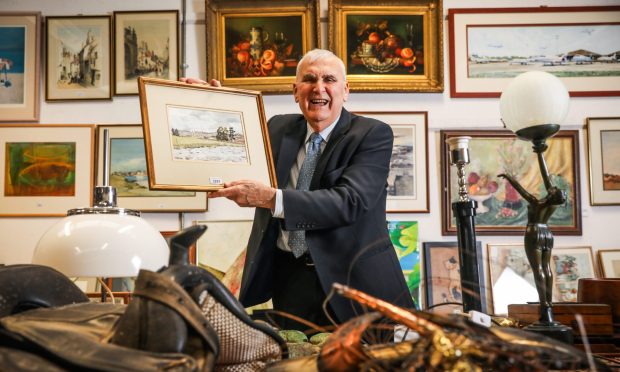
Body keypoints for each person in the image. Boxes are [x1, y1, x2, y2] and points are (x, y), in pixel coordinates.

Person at [184, 49, 414, 330]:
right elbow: (234, 147)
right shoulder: (278, 128)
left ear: (345, 90)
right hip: (289, 278)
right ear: (295, 91)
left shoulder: (372, 134)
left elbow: (349, 201)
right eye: (309, 79)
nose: (319, 88)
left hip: (354, 284)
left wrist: (271, 199)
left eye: (329, 79)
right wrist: (211, 107)